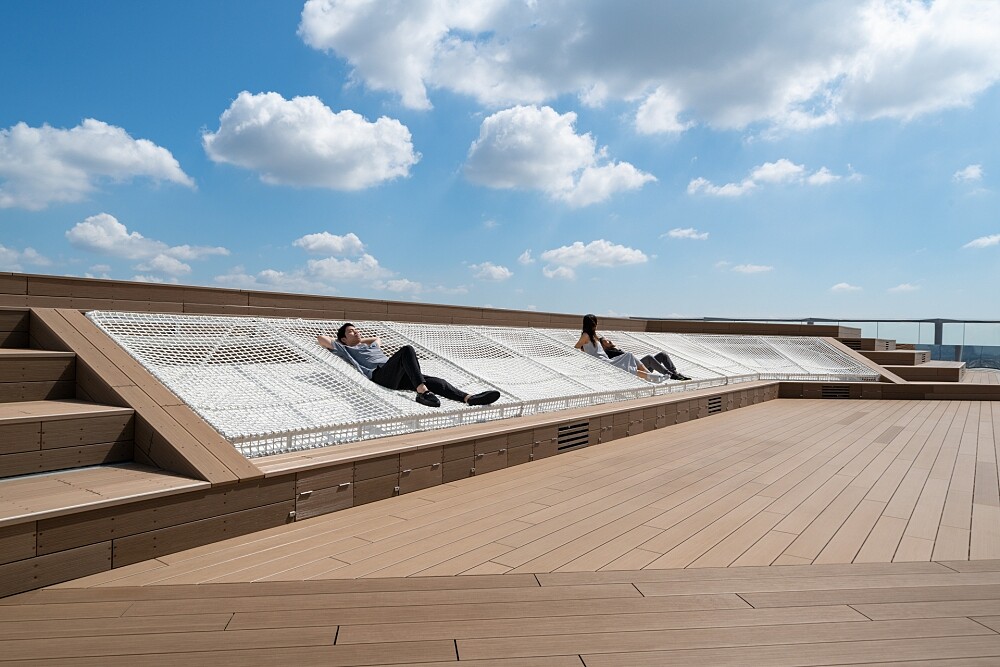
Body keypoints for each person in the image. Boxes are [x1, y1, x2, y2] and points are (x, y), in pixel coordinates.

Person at [318, 323, 500, 408]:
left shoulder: (369, 345)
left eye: (356, 329)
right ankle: (422, 393)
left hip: (397, 374)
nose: (356, 332)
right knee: (407, 350)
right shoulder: (345, 350)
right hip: (381, 376)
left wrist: (358, 339)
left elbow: (376, 339)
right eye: (351, 331)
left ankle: (469, 398)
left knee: (438, 381)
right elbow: (321, 340)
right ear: (343, 338)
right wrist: (347, 344)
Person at [575, 314, 653, 380]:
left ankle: (651, 376)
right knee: (627, 363)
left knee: (629, 356)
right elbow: (575, 348)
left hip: (606, 360)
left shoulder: (594, 336)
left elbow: (589, 349)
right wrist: (585, 354)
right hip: (602, 364)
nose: (597, 324)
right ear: (592, 324)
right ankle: (652, 377)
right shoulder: (585, 335)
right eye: (595, 322)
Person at [600, 334, 691, 381]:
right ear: (603, 345)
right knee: (649, 358)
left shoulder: (614, 349)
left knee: (662, 355)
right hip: (634, 369)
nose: (609, 341)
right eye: (606, 341)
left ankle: (674, 373)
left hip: (637, 365)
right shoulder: (608, 352)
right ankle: (672, 375)